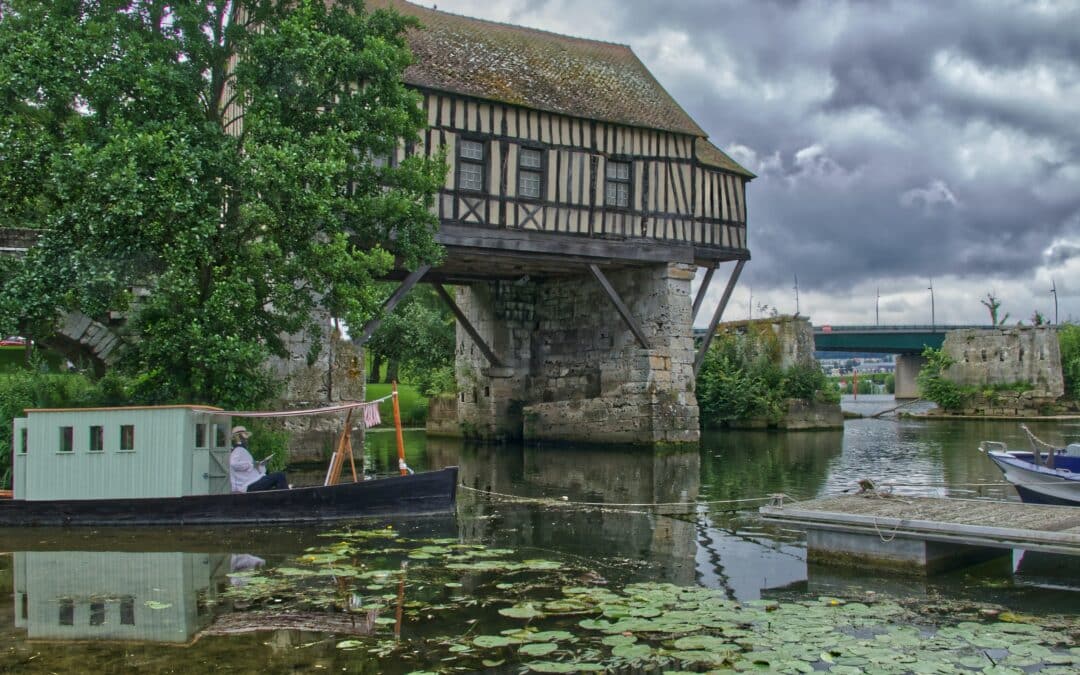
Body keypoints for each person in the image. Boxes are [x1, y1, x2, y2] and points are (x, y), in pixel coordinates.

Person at [229, 426, 289, 492]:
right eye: (244, 438)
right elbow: (233, 464)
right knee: (280, 476)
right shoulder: (238, 450)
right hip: (249, 484)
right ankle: (287, 499)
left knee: (275, 486)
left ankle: (283, 499)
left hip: (253, 482)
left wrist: (261, 464)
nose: (247, 440)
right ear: (239, 439)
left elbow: (254, 470)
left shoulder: (242, 450)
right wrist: (251, 464)